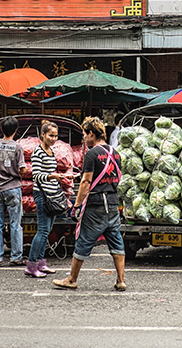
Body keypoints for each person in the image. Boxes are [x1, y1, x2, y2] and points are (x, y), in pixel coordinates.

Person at [52, 116, 126, 291]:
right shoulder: (116, 153)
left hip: (96, 205)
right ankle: (121, 280)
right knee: (116, 241)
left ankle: (71, 279)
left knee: (84, 240)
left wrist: (76, 205)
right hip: (113, 203)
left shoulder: (92, 154)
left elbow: (86, 182)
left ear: (92, 133)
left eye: (85, 134)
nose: (84, 138)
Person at [0, 116, 31, 267]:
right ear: (16, 131)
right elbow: (22, 168)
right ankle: (16, 257)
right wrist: (26, 171)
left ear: (1, 130)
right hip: (12, 188)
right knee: (15, 224)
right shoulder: (17, 147)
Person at [25, 121, 65, 278]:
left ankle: (41, 263)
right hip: (42, 195)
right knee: (42, 230)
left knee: (47, 230)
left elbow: (50, 172)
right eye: (50, 135)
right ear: (42, 135)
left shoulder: (51, 151)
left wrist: (60, 178)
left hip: (52, 195)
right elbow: (36, 176)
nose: (53, 138)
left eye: (55, 136)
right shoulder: (38, 152)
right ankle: (31, 265)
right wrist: (52, 176)